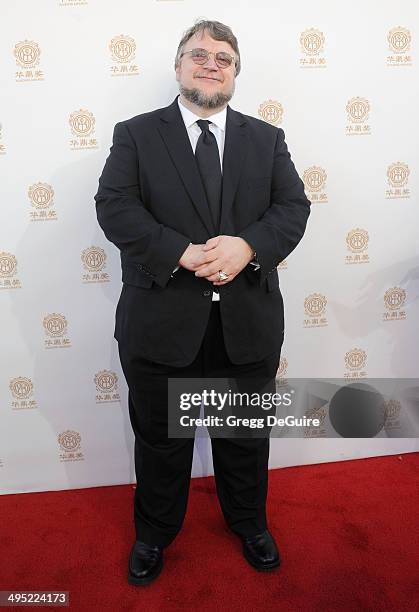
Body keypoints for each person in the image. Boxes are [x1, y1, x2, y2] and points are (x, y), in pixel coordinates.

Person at [95, 19, 310, 586]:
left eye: (224, 58)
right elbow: (115, 206)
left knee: (244, 438)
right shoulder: (137, 134)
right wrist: (181, 253)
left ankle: (249, 522)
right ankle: (154, 534)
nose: (211, 63)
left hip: (246, 322)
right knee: (162, 441)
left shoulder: (267, 139)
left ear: (235, 73)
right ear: (179, 65)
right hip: (162, 320)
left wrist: (249, 246)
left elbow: (293, 207)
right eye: (199, 54)